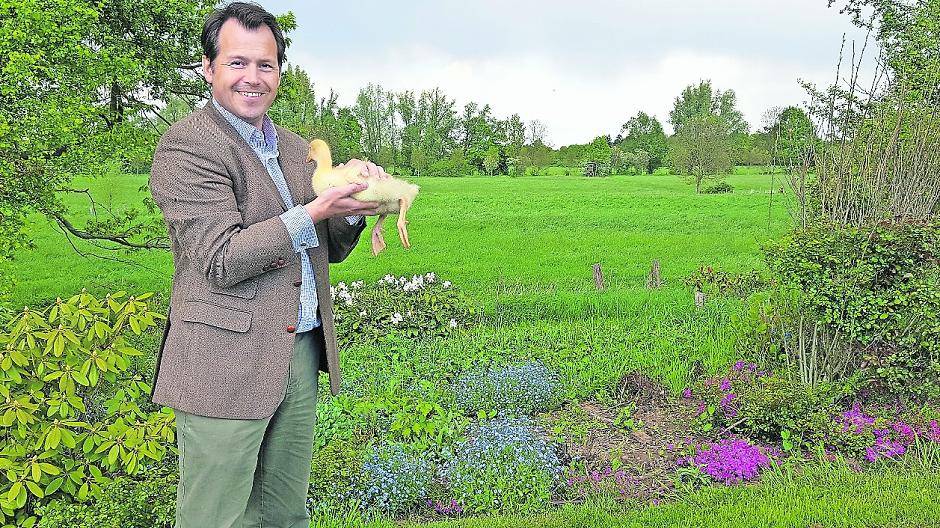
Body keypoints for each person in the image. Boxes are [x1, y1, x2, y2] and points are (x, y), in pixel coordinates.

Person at [148, 3, 388, 526]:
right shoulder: (187, 147)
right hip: (223, 361)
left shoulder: (298, 148)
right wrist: (314, 210)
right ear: (208, 69)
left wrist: (354, 209)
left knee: (284, 513)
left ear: (280, 71)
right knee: (217, 516)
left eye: (266, 65)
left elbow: (327, 246)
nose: (253, 79)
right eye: (237, 63)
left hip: (298, 349)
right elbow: (222, 258)